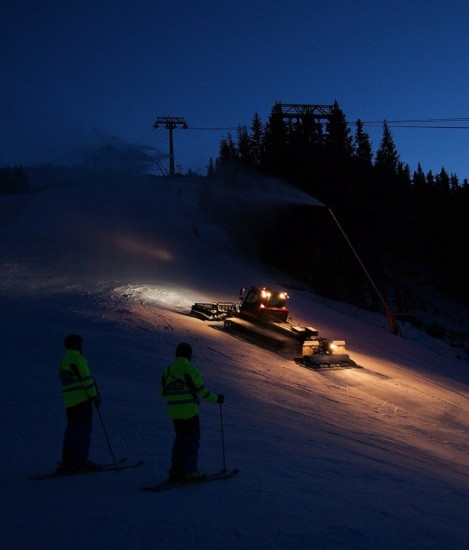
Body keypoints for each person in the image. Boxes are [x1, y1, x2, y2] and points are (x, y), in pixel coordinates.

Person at [161, 342, 224, 483]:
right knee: (191, 441)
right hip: (189, 412)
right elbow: (202, 392)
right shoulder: (191, 370)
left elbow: (163, 392)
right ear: (189, 355)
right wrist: (217, 399)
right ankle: (189, 471)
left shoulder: (167, 372)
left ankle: (176, 471)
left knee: (180, 440)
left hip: (174, 413)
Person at [57, 334, 102, 473]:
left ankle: (68, 461)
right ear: (76, 345)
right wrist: (95, 395)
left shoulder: (64, 361)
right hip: (82, 401)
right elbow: (86, 380)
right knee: (83, 430)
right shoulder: (78, 359)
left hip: (70, 402)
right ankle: (80, 461)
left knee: (72, 431)